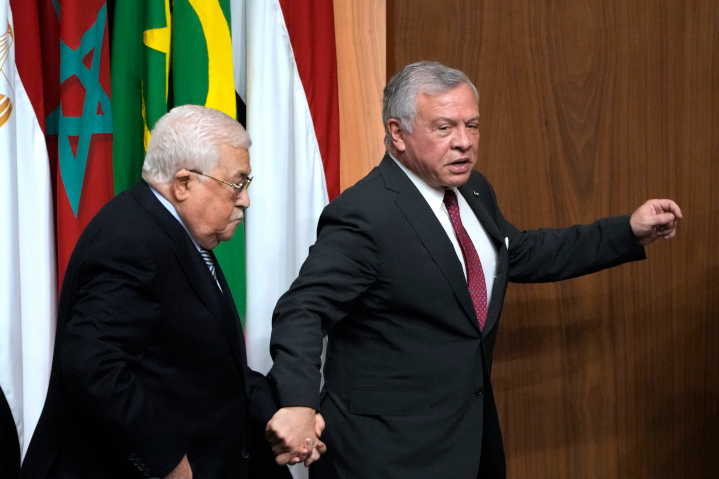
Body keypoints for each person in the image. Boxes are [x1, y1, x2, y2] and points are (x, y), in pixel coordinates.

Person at [264, 62, 682, 478]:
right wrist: (299, 401)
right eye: (445, 128)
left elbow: (520, 253)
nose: (464, 142)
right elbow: (303, 309)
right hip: (385, 454)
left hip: (468, 443)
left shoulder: (474, 190)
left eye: (473, 125)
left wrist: (627, 231)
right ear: (397, 133)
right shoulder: (364, 214)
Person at [19, 105, 316, 479]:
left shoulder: (177, 233)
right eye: (237, 184)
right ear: (184, 183)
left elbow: (204, 368)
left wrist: (279, 413)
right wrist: (165, 459)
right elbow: (91, 365)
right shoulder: (131, 241)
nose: (245, 200)